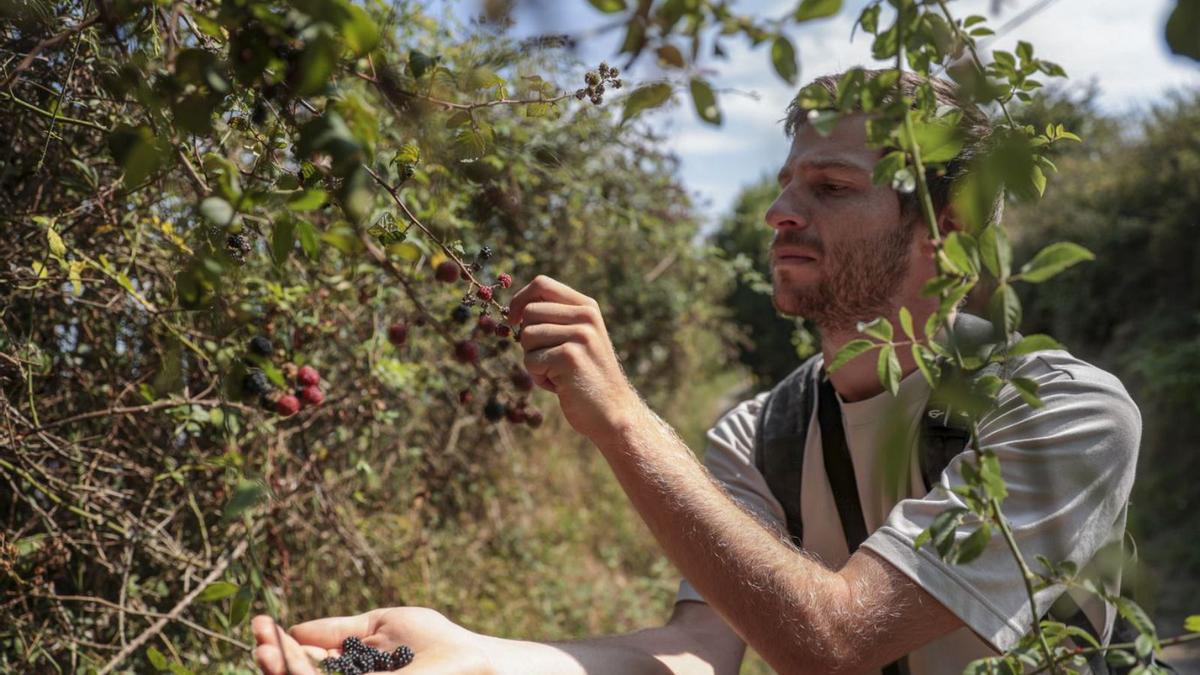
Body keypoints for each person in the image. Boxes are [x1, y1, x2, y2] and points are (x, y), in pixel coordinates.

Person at [251, 69, 1140, 675]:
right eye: (787, 183)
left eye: (829, 186)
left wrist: (625, 422)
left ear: (942, 229)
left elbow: (832, 639)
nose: (779, 213)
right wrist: (474, 653)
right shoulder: (762, 433)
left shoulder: (1065, 412)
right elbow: (696, 654)